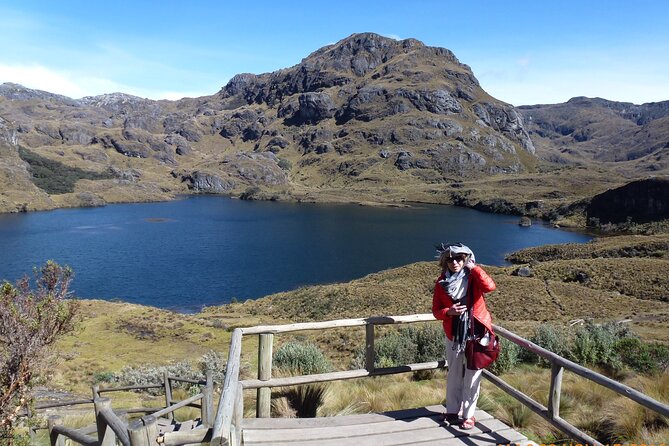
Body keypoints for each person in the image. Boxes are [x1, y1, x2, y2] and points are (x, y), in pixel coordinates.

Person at [431, 243, 496, 430]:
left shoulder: (473, 277)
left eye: (459, 258)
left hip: (476, 334)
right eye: (450, 259)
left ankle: (468, 415)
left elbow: (490, 286)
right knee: (454, 374)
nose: (454, 262)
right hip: (454, 336)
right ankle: (452, 411)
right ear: (445, 261)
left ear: (466, 259)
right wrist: (448, 311)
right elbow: (436, 310)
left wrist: (474, 268)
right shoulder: (441, 282)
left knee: (472, 375)